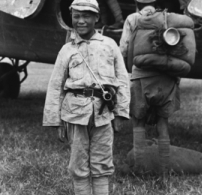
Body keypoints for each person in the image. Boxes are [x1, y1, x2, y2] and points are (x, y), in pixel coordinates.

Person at [43, 0, 130, 194]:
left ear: (97, 17)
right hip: (75, 114)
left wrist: (121, 113)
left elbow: (122, 80)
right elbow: (56, 86)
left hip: (104, 114)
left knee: (102, 164)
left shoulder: (110, 45)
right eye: (76, 16)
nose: (81, 21)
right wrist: (55, 120)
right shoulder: (67, 50)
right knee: (78, 165)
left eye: (86, 16)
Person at [120, 0, 181, 176]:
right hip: (166, 78)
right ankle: (163, 171)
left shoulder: (133, 18)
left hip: (141, 77)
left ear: (136, 3)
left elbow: (123, 48)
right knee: (163, 123)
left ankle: (139, 169)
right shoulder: (169, 19)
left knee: (138, 122)